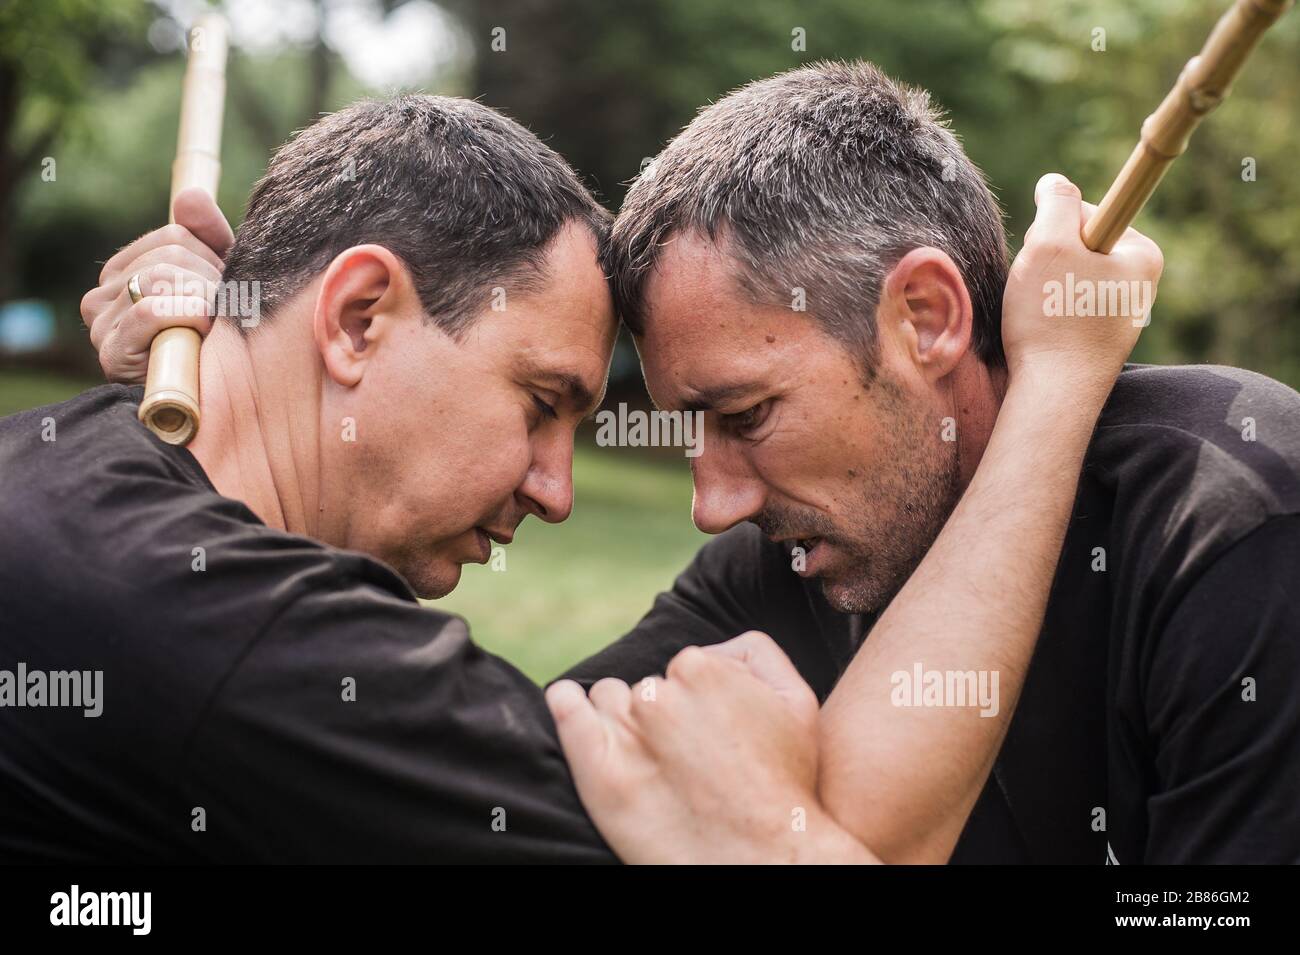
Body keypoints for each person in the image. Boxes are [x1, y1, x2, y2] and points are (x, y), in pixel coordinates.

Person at [68, 75, 1166, 864]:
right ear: (353, 317)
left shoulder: (1222, 522)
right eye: (540, 403)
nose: (708, 502)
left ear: (926, 319)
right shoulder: (235, 638)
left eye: (745, 413)